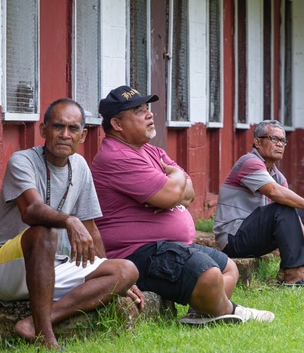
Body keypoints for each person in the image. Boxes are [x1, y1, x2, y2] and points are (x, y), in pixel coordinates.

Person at [90, 85, 273, 325]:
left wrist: (174, 188)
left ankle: (201, 313)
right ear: (116, 124)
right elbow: (172, 194)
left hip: (167, 247)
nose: (149, 114)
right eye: (139, 110)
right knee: (208, 275)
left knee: (229, 268)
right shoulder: (117, 156)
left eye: (147, 108)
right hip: (135, 253)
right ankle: (232, 311)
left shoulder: (149, 150)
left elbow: (189, 193)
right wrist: (175, 180)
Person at [0, 98, 143, 350]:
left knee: (126, 270)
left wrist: (116, 280)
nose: (65, 134)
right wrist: (69, 220)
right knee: (44, 231)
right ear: (43, 131)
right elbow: (31, 210)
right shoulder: (22, 162)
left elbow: (91, 228)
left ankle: (34, 322)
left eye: (73, 129)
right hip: (4, 269)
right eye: (57, 127)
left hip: (52, 267)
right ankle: (47, 338)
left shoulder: (80, 167)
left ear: (83, 135)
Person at [213, 120, 304, 286]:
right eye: (274, 139)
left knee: (302, 211)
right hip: (233, 238)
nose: (280, 144)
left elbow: (292, 211)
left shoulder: (276, 175)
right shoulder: (249, 162)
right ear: (258, 142)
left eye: (282, 141)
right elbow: (275, 193)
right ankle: (294, 273)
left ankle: (293, 270)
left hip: (253, 236)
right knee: (284, 207)